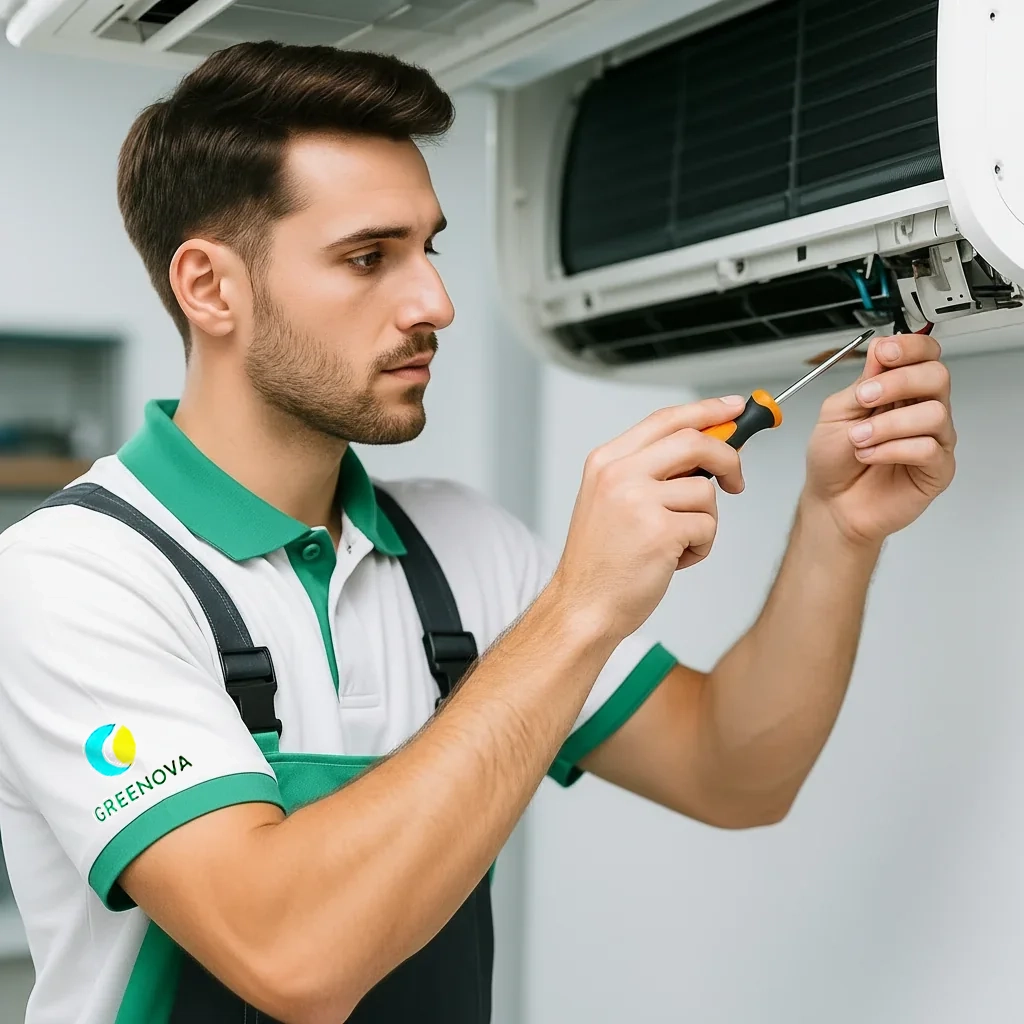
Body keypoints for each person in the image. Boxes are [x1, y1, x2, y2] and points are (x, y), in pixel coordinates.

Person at [0, 40, 956, 1024]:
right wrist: (578, 607)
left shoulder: (464, 548)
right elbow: (289, 957)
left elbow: (734, 770)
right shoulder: (77, 577)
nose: (435, 305)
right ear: (210, 288)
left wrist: (837, 528)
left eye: (430, 249)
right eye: (369, 257)